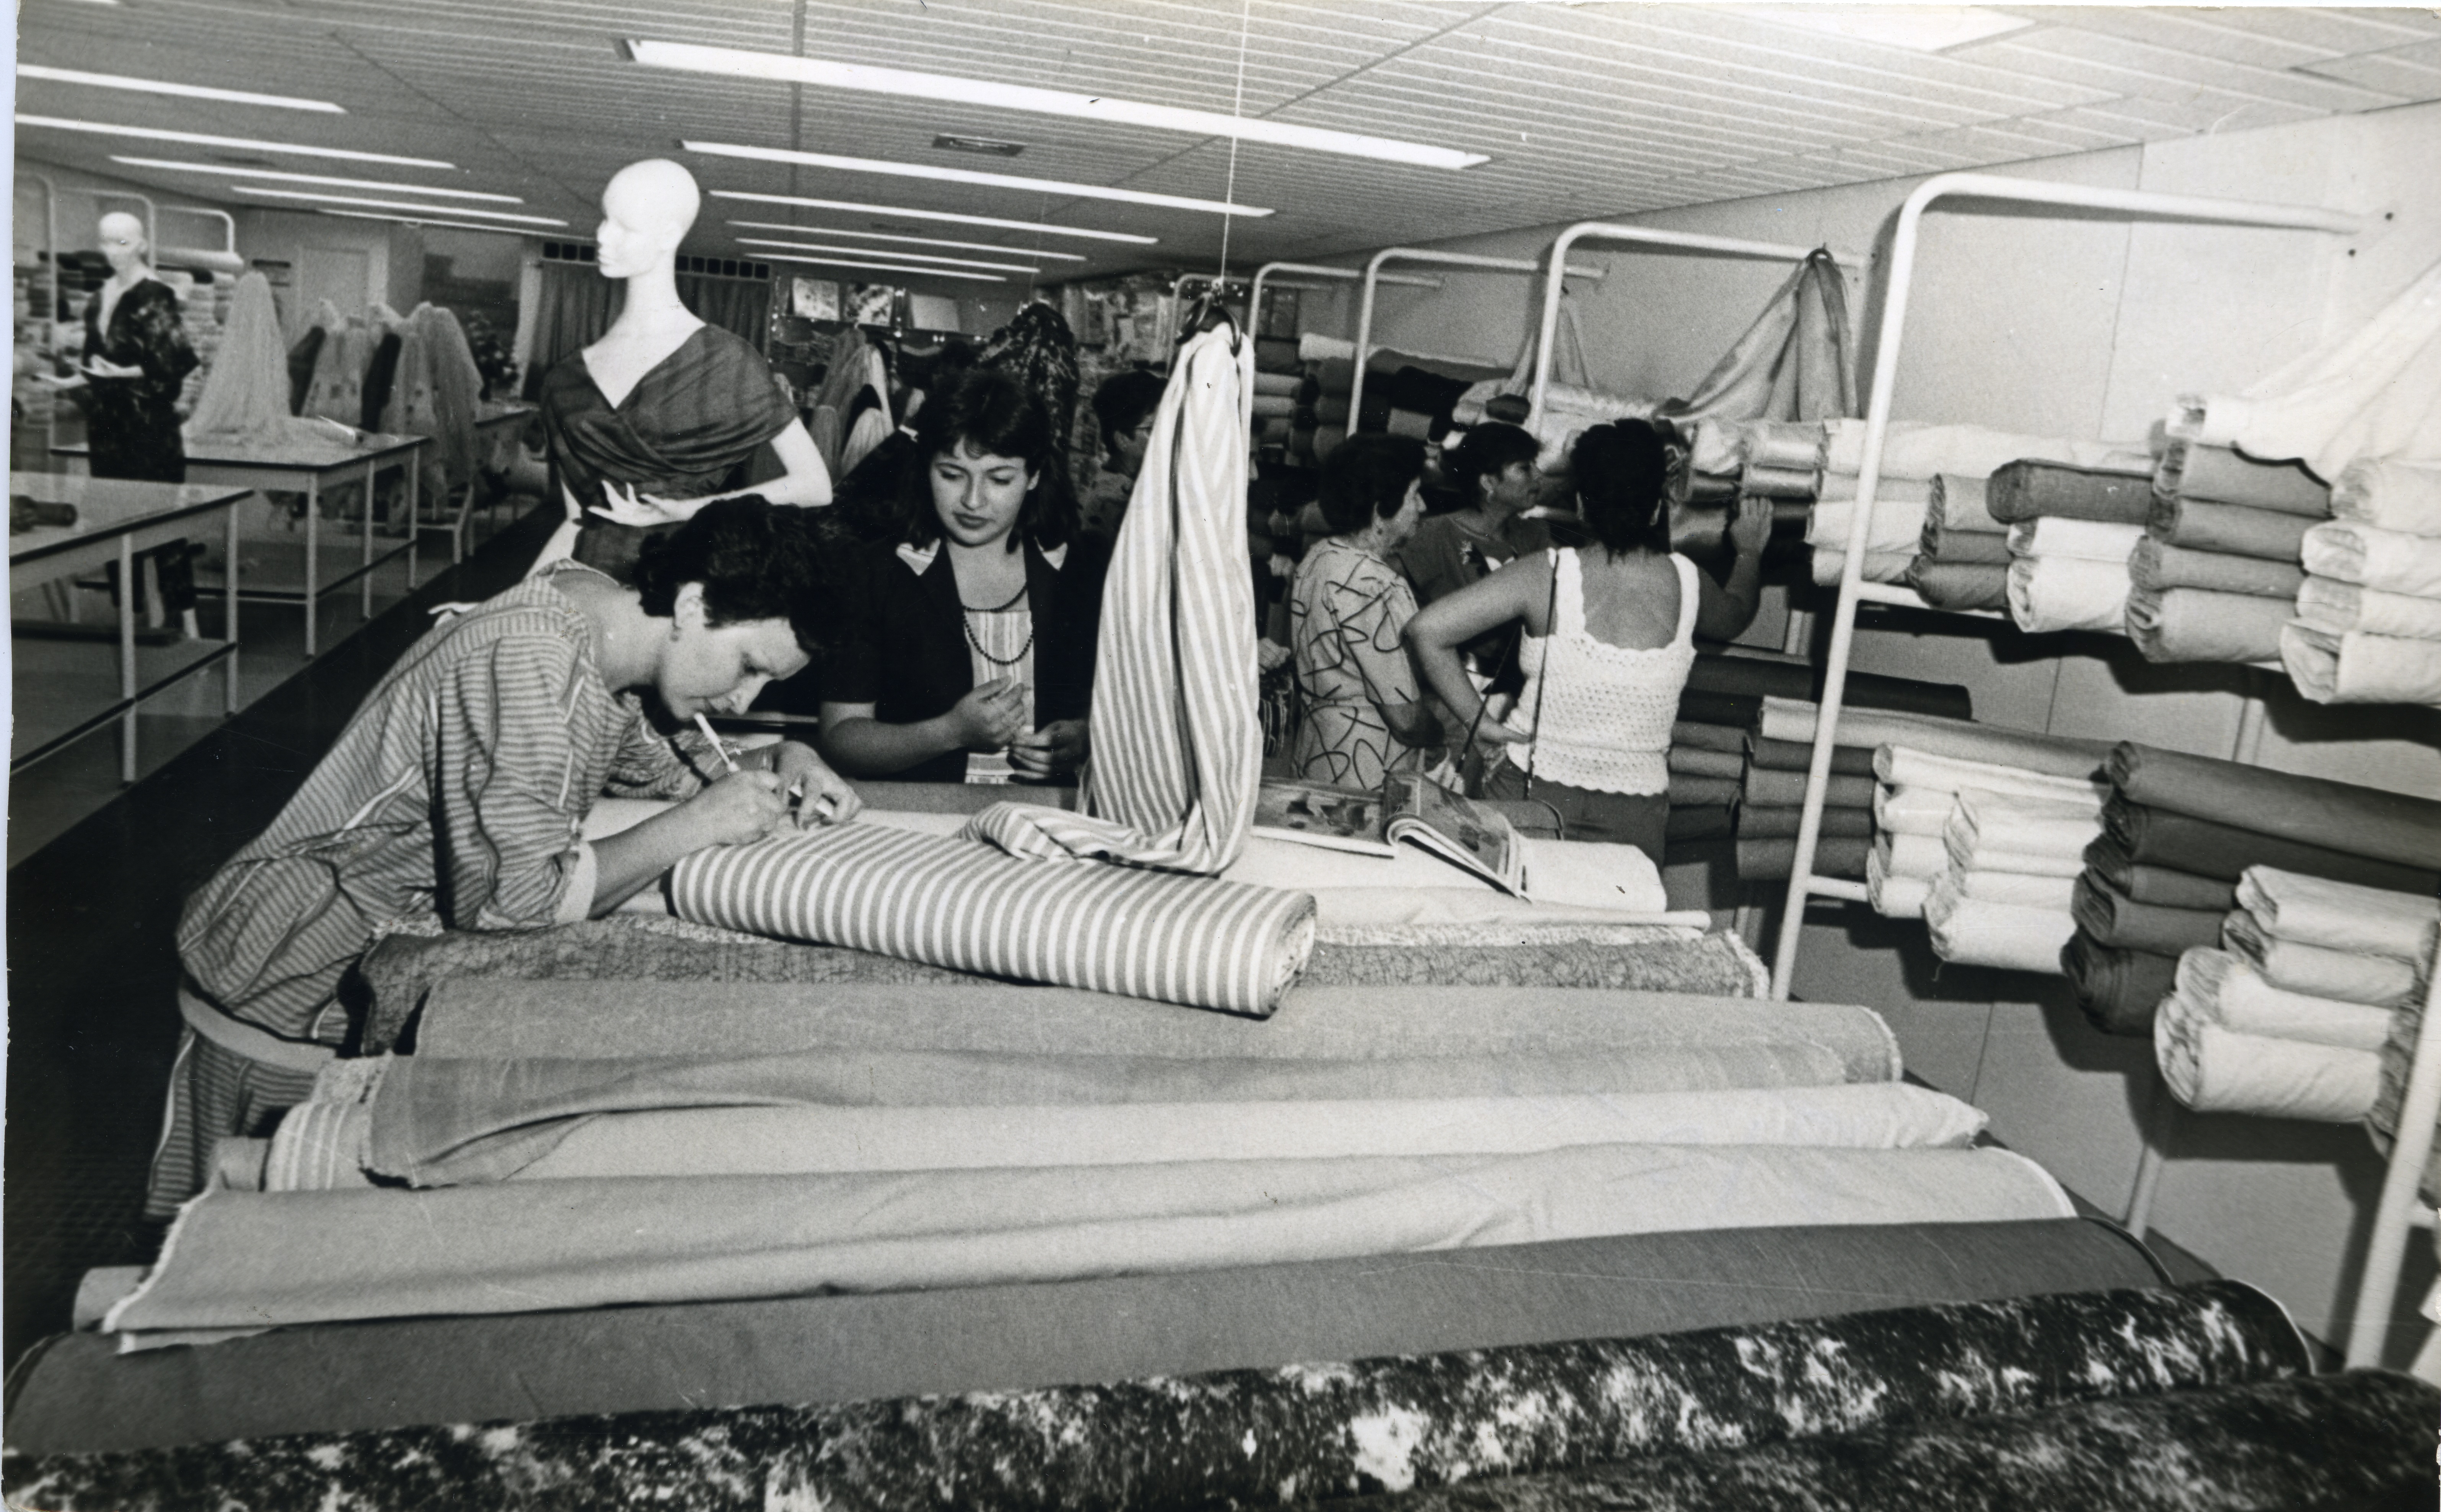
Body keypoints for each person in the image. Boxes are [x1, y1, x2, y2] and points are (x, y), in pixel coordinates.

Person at [155, 498, 862, 1214]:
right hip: (289, 973)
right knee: (238, 1227)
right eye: (748, 666)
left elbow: (672, 772)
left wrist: (788, 756)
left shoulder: (605, 629)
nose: (745, 698)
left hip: (344, 962)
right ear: (691, 604)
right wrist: (695, 826)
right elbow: (514, 903)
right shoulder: (531, 656)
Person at [1406, 420, 1767, 859]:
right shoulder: (1689, 582)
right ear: (1659, 505)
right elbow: (1736, 614)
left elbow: (1427, 630)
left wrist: (1480, 725)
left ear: (1580, 504)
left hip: (1530, 790)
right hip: (1633, 809)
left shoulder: (1545, 572)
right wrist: (1749, 551)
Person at [534, 159, 832, 581]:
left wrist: (687, 509)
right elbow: (576, 522)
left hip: (680, 588)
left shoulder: (726, 361)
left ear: (669, 236)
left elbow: (814, 485)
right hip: (587, 588)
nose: (602, 235)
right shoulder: (566, 380)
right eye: (604, 219)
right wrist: (504, 605)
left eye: (625, 226)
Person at [818, 368, 1105, 785]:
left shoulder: (1079, 571)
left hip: (1047, 813)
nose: (972, 500)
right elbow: (840, 735)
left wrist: (1086, 737)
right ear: (925, 467)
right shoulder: (876, 572)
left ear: (1035, 476)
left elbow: (1125, 702)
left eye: (999, 479)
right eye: (952, 475)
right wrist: (949, 732)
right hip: (921, 813)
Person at [39, 212, 204, 627]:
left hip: (150, 428)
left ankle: (183, 624)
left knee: (163, 525)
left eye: (123, 242)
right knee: (112, 522)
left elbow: (174, 362)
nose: (113, 251)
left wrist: (125, 373)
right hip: (108, 428)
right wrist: (68, 382)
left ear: (142, 244)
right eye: (106, 242)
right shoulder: (101, 296)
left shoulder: (155, 296)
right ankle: (133, 622)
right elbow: (95, 364)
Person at [1287, 433, 1442, 791]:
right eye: (1414, 495)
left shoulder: (1319, 557)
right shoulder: (1377, 585)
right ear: (1379, 511)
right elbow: (1405, 719)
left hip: (1319, 746)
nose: (1422, 507)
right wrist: (1439, 734)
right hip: (1368, 762)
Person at [1079, 367, 1164, 542]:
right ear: (1122, 439)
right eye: (1153, 429)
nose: (1165, 435)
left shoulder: (1128, 483)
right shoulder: (1112, 503)